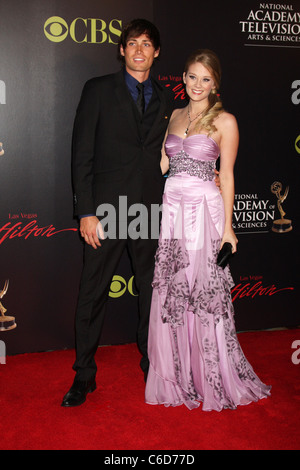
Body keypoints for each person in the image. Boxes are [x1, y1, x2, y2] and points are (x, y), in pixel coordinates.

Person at [145, 49, 271, 411]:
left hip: (203, 211)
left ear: (215, 83)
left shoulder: (225, 121)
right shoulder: (174, 115)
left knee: (202, 293)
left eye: (205, 78)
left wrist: (229, 229)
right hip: (172, 210)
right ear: (182, 78)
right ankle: (179, 374)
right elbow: (165, 163)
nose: (197, 84)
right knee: (174, 290)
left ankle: (211, 376)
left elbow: (227, 175)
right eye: (191, 76)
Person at [61, 19, 175, 407]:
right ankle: (84, 376)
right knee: (92, 293)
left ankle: (153, 364)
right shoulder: (97, 90)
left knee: (153, 295)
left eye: (147, 44)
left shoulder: (165, 98)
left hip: (149, 212)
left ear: (156, 52)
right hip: (106, 211)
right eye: (132, 43)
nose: (139, 49)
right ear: (122, 50)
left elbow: (165, 157)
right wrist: (86, 212)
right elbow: (82, 156)